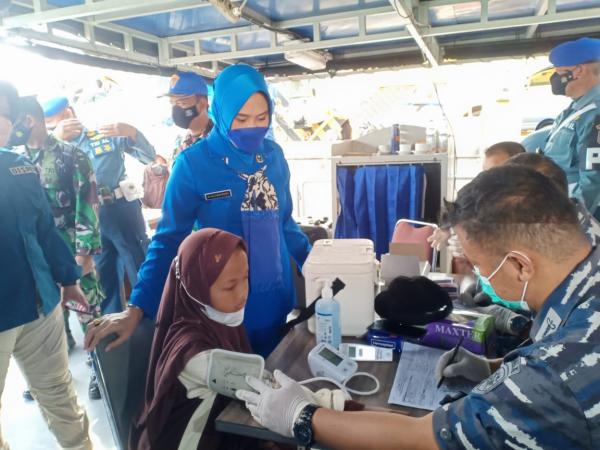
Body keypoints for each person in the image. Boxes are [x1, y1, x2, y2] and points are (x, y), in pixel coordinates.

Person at [237, 165, 600, 449]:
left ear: (522, 265)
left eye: (477, 265)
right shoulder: (585, 241)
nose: (478, 275)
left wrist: (303, 416)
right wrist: (493, 367)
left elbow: (420, 438)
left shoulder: (556, 373)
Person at [85, 64, 311, 358]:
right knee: (233, 395)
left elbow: (285, 223)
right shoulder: (193, 164)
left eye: (261, 117)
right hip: (224, 307)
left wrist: (319, 264)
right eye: (241, 118)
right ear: (221, 112)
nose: (251, 127)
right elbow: (168, 240)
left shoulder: (273, 157)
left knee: (278, 376)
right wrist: (136, 307)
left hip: (276, 299)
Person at [0, 81, 93, 450]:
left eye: (4, 112)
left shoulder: (18, 167)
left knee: (59, 395)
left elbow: (44, 230)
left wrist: (69, 279)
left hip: (41, 307)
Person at [10, 96, 104, 399]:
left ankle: (99, 369)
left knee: (88, 312)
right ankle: (49, 375)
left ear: (29, 120)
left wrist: (84, 255)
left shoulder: (70, 155)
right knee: (47, 321)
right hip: (37, 260)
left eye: (13, 118)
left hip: (71, 251)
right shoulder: (14, 163)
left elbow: (87, 205)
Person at [131, 228, 252, 449]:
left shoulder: (219, 317)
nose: (243, 293)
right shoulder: (195, 353)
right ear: (197, 288)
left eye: (246, 278)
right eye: (230, 286)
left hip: (217, 429)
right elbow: (256, 385)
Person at [44, 96, 156, 314]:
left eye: (58, 121)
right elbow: (45, 183)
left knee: (139, 267)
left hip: (121, 210)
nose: (58, 128)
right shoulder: (53, 150)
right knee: (103, 278)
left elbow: (148, 157)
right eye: (51, 126)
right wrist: (54, 140)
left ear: (69, 113)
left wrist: (132, 132)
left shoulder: (104, 134)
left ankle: (153, 321)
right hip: (88, 221)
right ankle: (113, 334)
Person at [429, 140, 525, 254]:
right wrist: (448, 229)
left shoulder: (529, 203)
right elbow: (457, 208)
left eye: (496, 172)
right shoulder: (482, 190)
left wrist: (477, 246)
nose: (487, 179)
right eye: (485, 172)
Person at [541, 37, 600, 220]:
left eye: (559, 72)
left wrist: (571, 222)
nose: (556, 79)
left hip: (579, 218)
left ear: (579, 71)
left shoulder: (595, 113)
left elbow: (594, 179)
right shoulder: (575, 110)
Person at [166, 71, 212, 159]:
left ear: (202, 103)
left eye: (181, 103)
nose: (175, 109)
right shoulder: (182, 142)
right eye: (172, 103)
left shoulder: (219, 141)